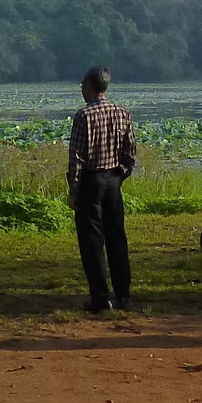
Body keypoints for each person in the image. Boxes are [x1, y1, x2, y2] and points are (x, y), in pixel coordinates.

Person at [67, 65, 137, 313]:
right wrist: (121, 175)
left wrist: (74, 191)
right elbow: (130, 153)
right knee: (117, 237)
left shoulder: (84, 116)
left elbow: (76, 158)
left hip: (91, 182)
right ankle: (123, 295)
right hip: (113, 180)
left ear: (89, 85)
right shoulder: (121, 112)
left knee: (92, 240)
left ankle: (100, 297)